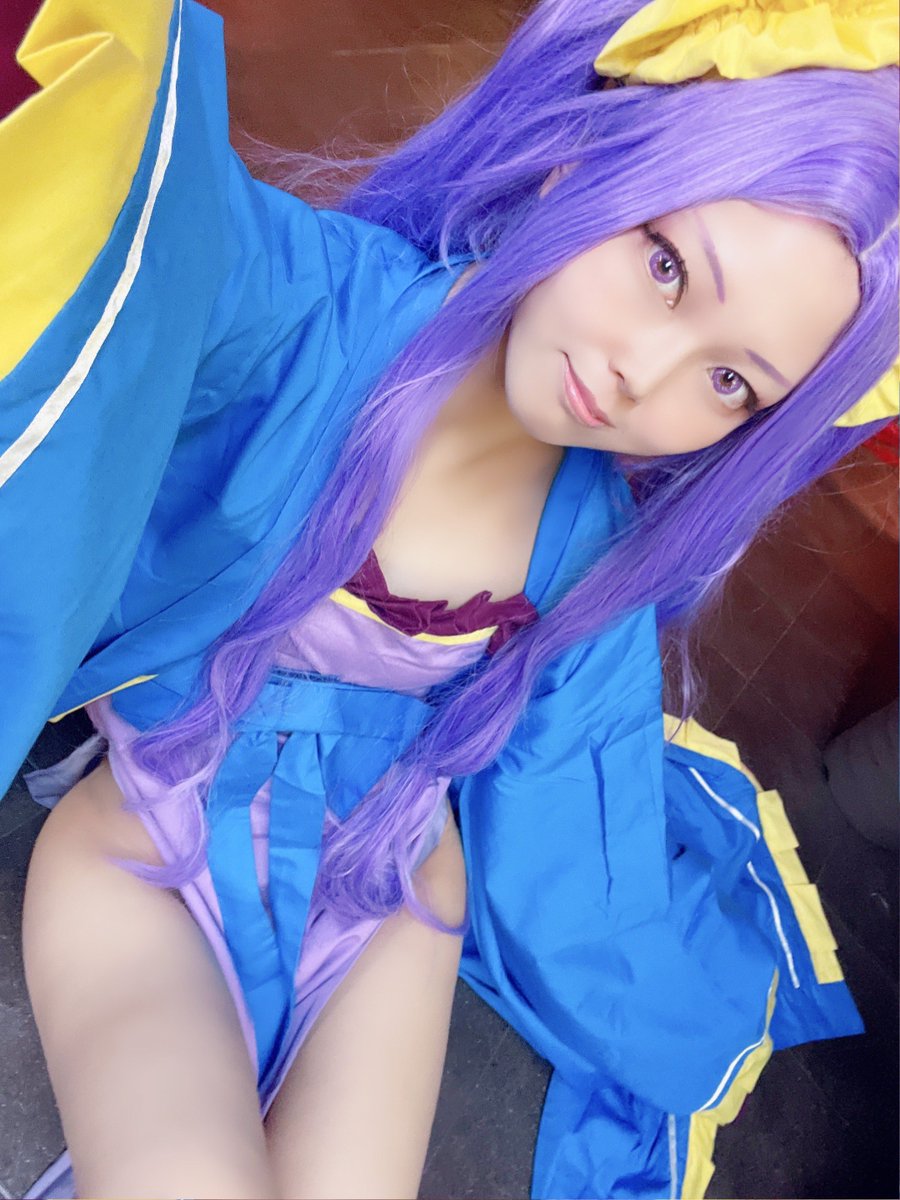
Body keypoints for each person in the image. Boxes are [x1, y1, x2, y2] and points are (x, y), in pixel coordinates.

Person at [2, 0, 897, 1196]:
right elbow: (143, 237)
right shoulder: (312, 312)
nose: (644, 372)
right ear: (576, 158)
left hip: (394, 887)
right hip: (150, 832)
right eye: (665, 264)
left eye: (731, 381)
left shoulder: (594, 546)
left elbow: (577, 774)